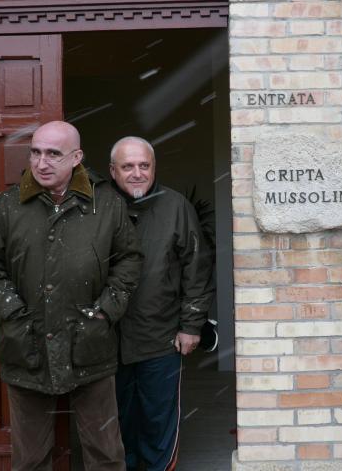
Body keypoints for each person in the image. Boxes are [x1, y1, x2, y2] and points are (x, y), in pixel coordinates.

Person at [0, 121, 143, 471]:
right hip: (26, 346)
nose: (41, 163)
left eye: (53, 154)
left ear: (77, 158)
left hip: (91, 344)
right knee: (31, 459)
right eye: (35, 152)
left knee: (106, 455)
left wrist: (104, 312)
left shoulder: (107, 204)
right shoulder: (7, 206)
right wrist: (13, 313)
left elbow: (129, 260)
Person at [109, 136, 214, 471]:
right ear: (113, 171)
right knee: (117, 420)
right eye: (128, 166)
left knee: (158, 419)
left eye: (144, 165)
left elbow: (197, 268)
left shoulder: (176, 206)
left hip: (161, 336)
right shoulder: (98, 207)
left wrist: (191, 325)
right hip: (108, 338)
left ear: (154, 167)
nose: (137, 173)